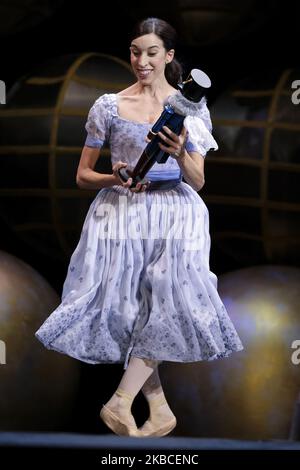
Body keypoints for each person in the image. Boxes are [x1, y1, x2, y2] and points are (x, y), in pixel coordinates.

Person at [35, 17, 243, 438]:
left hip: (175, 214)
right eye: (135, 51)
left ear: (168, 56)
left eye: (151, 52)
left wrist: (182, 152)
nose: (142, 61)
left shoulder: (189, 108)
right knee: (131, 310)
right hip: (122, 212)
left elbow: (198, 180)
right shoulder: (108, 106)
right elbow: (82, 176)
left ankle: (119, 402)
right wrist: (116, 176)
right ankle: (160, 409)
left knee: (168, 297)